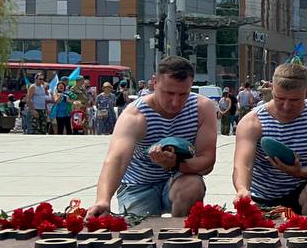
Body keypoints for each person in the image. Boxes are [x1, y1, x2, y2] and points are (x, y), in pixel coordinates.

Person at [87, 56, 218, 218]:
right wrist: (103, 200)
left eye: (183, 94)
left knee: (192, 186)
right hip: (138, 184)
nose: (175, 102)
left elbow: (207, 162)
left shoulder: (202, 108)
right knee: (138, 233)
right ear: (155, 83)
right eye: (169, 93)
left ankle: (180, 235)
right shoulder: (135, 115)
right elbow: (116, 160)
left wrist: (175, 165)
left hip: (180, 179)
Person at [232, 63, 307, 215]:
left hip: (302, 192)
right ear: (272, 90)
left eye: (294, 100)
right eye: (280, 98)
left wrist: (301, 172)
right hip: (262, 198)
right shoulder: (252, 121)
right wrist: (242, 189)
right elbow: (243, 164)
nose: (286, 106)